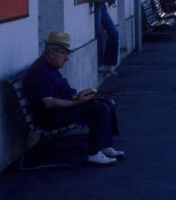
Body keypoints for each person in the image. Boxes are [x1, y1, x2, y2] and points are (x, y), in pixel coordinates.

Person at [24, 30, 123, 166]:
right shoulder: (40, 73)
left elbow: (61, 92)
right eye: (64, 53)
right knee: (100, 109)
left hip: (61, 109)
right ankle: (93, 153)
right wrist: (76, 102)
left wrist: (80, 96)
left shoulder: (49, 67)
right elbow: (49, 103)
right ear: (52, 53)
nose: (67, 58)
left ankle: (104, 145)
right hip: (51, 116)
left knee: (106, 102)